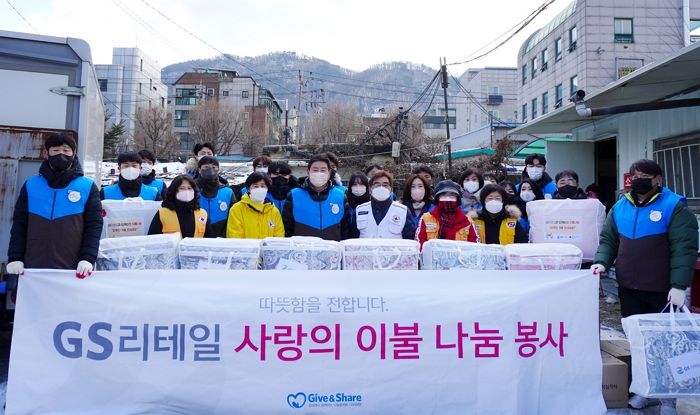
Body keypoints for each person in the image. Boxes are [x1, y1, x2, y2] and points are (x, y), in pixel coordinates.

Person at [591, 159, 698, 414]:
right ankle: (642, 390)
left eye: (646, 175)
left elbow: (684, 249)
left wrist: (679, 285)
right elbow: (608, 240)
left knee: (666, 344)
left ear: (658, 179)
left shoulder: (674, 206)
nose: (639, 179)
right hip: (628, 285)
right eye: (635, 174)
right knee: (638, 342)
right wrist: (601, 262)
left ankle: (668, 399)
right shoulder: (620, 206)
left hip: (662, 288)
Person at [7, 133, 103, 278]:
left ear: (74, 153)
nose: (61, 154)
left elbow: (94, 226)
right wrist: (15, 257)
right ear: (47, 153)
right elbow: (20, 223)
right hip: (32, 267)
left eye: (66, 150)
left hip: (73, 268)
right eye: (55, 150)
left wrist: (88, 258)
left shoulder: (87, 186)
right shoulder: (31, 185)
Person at [282, 154, 350, 241]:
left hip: (332, 251)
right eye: (315, 170)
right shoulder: (294, 195)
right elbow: (286, 229)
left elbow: (346, 230)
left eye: (323, 170)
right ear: (308, 172)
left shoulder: (340, 196)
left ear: (329, 173)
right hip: (302, 251)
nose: (319, 173)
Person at [351, 171, 415, 239]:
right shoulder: (359, 210)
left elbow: (409, 240)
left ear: (391, 189)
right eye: (377, 185)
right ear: (370, 189)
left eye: (385, 185)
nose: (381, 188)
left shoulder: (403, 211)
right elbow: (353, 238)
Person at [416, 180, 479, 247]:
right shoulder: (426, 218)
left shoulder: (467, 221)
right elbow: (420, 244)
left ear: (458, 199)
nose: (448, 198)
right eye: (443, 195)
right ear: (438, 198)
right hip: (432, 257)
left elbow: (474, 246)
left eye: (452, 195)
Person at [148, 175, 213, 238]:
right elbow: (152, 240)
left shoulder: (202, 214)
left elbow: (209, 240)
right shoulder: (162, 213)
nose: (186, 191)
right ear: (174, 191)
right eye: (182, 188)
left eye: (189, 188)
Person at [226, 172, 284, 239]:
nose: (259, 189)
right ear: (248, 188)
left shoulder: (274, 211)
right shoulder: (237, 209)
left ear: (267, 189)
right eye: (255, 186)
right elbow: (234, 236)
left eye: (263, 186)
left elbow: (279, 236)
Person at [196, 156, 236, 237]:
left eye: (214, 167)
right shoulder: (192, 190)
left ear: (218, 170)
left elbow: (234, 218)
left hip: (222, 241)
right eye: (206, 167)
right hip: (196, 239)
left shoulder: (228, 192)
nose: (210, 170)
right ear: (199, 170)